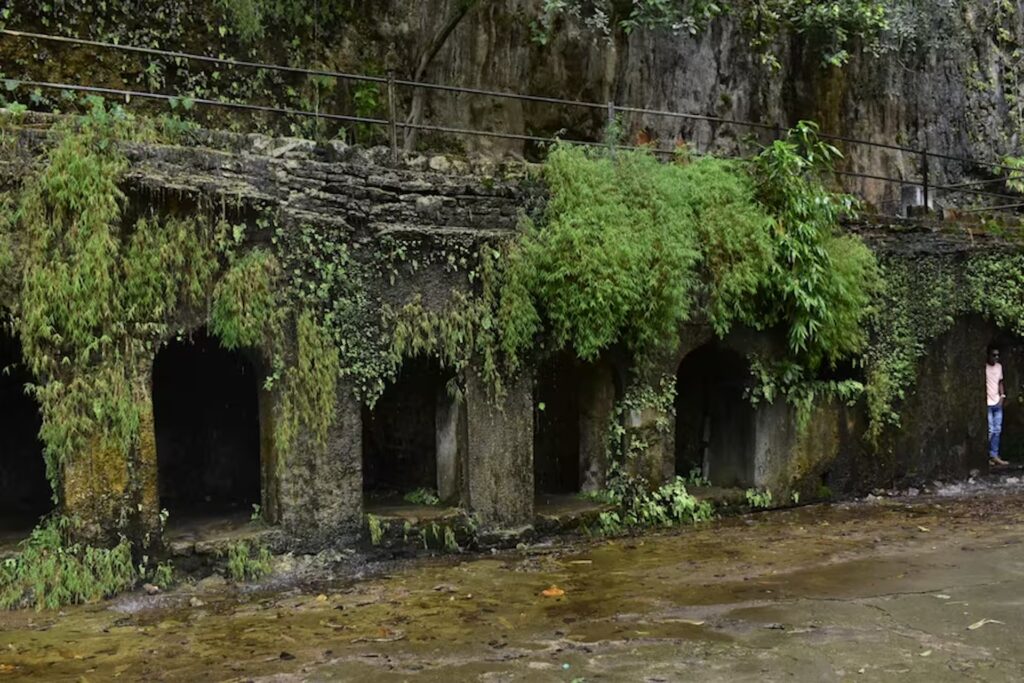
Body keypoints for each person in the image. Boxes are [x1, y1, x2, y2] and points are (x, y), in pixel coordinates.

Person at [987, 346, 1009, 467]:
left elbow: (1000, 381)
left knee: (997, 429)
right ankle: (987, 455)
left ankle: (994, 455)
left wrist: (1002, 396)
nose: (996, 357)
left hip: (997, 401)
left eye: (997, 355)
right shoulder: (984, 368)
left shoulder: (999, 367)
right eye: (993, 355)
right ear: (988, 355)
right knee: (990, 430)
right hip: (987, 402)